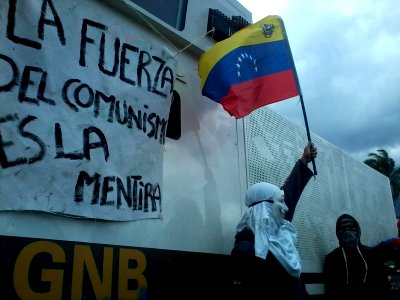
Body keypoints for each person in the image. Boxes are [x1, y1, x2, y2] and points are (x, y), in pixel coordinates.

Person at [230, 143, 317, 300]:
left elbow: (287, 195)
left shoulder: (278, 237)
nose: (286, 208)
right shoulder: (247, 251)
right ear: (265, 210)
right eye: (280, 202)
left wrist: (303, 161)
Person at [323, 213, 390, 300]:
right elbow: (331, 291)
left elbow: (383, 286)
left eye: (351, 227)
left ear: (358, 230)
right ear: (337, 233)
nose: (347, 231)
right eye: (342, 229)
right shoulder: (331, 259)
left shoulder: (372, 255)